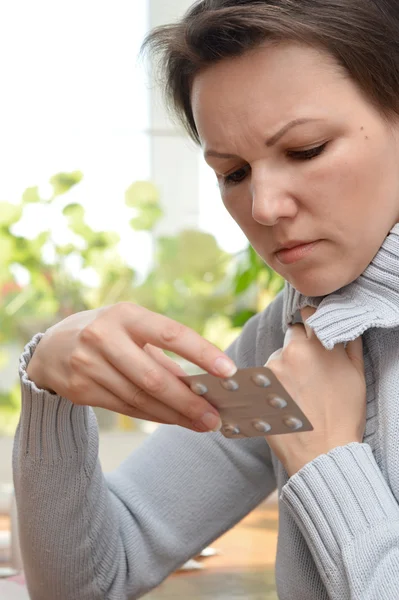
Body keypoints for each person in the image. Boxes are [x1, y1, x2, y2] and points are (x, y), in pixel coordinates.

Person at [12, 0, 399, 598]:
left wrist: (326, 459)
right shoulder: (293, 334)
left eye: (306, 150)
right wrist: (50, 388)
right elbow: (89, 581)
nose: (265, 208)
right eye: (233, 173)